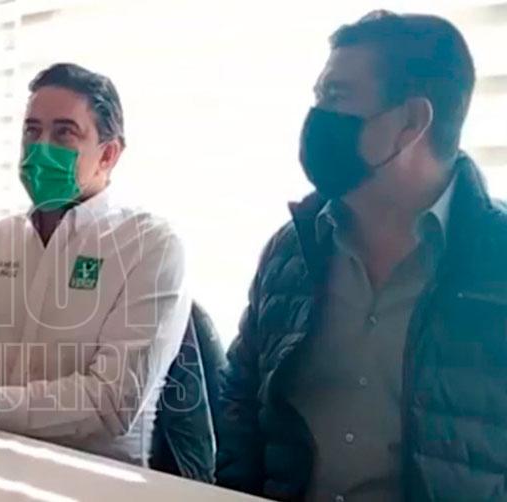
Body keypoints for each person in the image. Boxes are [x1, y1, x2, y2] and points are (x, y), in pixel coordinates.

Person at [216, 11, 507, 501]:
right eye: (317, 97)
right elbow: (240, 399)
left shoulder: (496, 264)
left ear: (411, 122)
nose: (316, 118)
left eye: (336, 97)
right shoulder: (292, 249)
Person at [0, 63, 203, 468]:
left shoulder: (150, 245)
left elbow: (112, 402)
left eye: (64, 132)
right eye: (32, 131)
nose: (41, 147)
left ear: (108, 154)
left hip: (89, 477)